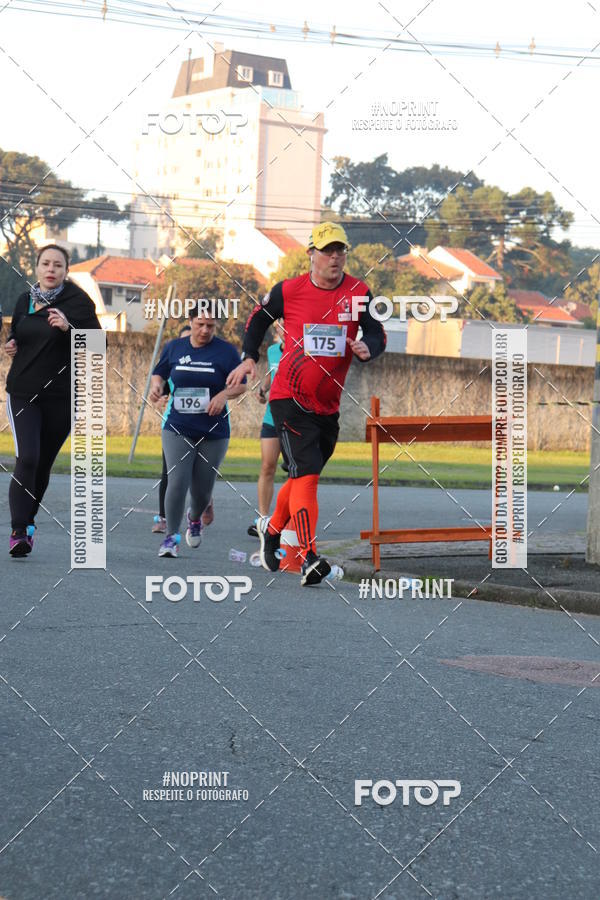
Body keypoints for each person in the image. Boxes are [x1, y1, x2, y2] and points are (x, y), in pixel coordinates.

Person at [227, 222, 386, 585]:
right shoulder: (288, 290)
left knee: (302, 475)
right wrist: (249, 357)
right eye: (327, 250)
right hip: (289, 398)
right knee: (308, 475)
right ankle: (310, 556)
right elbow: (257, 321)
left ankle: (273, 530)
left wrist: (368, 348)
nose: (335, 257)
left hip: (328, 405)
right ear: (311, 254)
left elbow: (378, 331)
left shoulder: (359, 292)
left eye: (340, 250)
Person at [4, 244, 101, 557]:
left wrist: (69, 328)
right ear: (36, 267)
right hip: (23, 392)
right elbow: (17, 333)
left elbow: (100, 344)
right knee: (28, 458)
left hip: (61, 396)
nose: (51, 269)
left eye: (57, 265)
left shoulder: (77, 301)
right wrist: (11, 344)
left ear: (66, 270)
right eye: (45, 263)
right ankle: (18, 530)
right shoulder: (24, 300)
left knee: (43, 463)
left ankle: (28, 523)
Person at [149, 303, 246, 558]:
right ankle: (171, 537)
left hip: (213, 430)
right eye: (200, 324)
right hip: (177, 426)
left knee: (202, 490)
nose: (205, 330)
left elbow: (241, 386)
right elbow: (159, 373)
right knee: (177, 481)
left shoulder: (226, 352)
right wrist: (156, 387)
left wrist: (224, 395)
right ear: (190, 321)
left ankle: (194, 518)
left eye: (211, 326)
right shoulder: (174, 347)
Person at [151, 323, 214, 534]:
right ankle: (163, 518)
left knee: (198, 474)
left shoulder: (209, 361)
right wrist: (159, 393)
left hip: (205, 427)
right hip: (175, 425)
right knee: (170, 474)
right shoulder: (175, 358)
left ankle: (204, 501)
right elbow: (164, 382)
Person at [248, 318, 284, 537]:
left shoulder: (303, 351)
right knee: (267, 467)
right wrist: (262, 390)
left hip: (296, 420)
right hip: (272, 417)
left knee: (296, 473)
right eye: (281, 323)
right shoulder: (272, 351)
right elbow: (272, 374)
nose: (285, 327)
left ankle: (287, 521)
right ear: (277, 327)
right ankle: (263, 519)